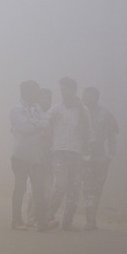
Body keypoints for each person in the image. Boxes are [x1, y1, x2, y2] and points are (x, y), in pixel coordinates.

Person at [48, 77, 89, 231]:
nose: (64, 92)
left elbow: (87, 131)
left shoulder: (83, 111)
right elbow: (46, 122)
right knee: (60, 185)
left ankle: (68, 222)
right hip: (59, 152)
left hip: (77, 154)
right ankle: (49, 215)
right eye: (62, 89)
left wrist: (87, 154)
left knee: (74, 189)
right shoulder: (56, 109)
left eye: (67, 89)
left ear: (74, 90)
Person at [9, 80, 51, 231]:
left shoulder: (37, 108)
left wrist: (34, 124)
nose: (38, 95)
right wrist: (38, 124)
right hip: (20, 155)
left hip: (36, 155)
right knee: (20, 188)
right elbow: (24, 128)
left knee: (38, 188)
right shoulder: (16, 110)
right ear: (26, 93)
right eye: (35, 92)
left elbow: (46, 122)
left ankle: (42, 221)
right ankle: (16, 220)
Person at [82, 86, 118, 230]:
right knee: (87, 188)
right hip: (84, 158)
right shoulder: (80, 113)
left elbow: (112, 136)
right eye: (85, 96)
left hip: (101, 158)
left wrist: (110, 155)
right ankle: (90, 220)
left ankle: (92, 218)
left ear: (96, 97)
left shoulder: (106, 114)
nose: (87, 99)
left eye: (90, 96)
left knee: (97, 189)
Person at [25, 88, 54, 228]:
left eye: (48, 97)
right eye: (43, 97)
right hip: (34, 157)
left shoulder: (55, 114)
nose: (46, 100)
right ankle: (32, 217)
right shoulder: (32, 113)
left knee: (47, 189)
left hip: (49, 157)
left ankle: (44, 217)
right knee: (33, 189)